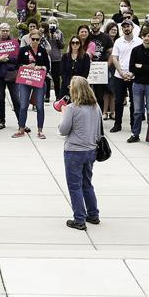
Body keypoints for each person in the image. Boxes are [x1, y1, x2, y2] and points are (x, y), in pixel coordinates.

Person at [58, 77, 101, 230]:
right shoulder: (96, 106)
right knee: (87, 183)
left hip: (74, 151)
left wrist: (63, 113)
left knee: (74, 186)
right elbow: (99, 129)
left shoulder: (71, 108)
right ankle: (93, 214)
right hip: (90, 150)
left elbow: (63, 130)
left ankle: (79, 220)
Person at [15, 27, 51, 139]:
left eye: (37, 39)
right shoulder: (23, 50)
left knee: (40, 106)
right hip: (25, 80)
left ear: (40, 40)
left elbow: (48, 67)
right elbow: (17, 65)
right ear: (29, 38)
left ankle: (40, 131)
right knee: (23, 105)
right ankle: (21, 129)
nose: (35, 41)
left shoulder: (42, 50)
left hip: (38, 79)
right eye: (33, 39)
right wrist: (25, 66)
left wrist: (39, 67)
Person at [128, 26, 149, 143]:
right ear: (141, 37)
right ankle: (135, 134)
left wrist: (141, 66)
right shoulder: (136, 50)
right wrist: (148, 67)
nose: (146, 38)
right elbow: (132, 67)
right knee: (137, 111)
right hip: (137, 84)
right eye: (144, 36)